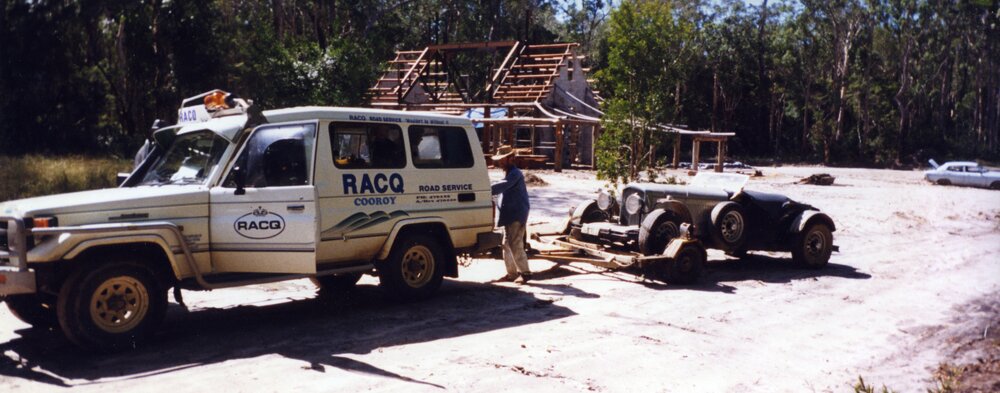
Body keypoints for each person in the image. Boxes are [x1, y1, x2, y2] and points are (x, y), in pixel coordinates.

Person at [491, 147, 532, 284]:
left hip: (516, 214)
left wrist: (486, 189)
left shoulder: (515, 174)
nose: (500, 162)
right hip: (509, 214)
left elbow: (503, 186)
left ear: (511, 159)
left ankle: (525, 273)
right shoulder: (509, 173)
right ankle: (512, 274)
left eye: (503, 159)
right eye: (500, 160)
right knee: (506, 244)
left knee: (515, 243)